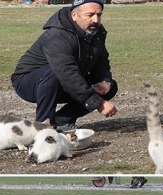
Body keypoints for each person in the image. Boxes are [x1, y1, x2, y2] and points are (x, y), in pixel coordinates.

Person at [11, 0, 118, 132]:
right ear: (74, 15)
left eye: (99, 15)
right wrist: (98, 103)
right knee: (53, 73)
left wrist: (104, 80)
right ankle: (43, 127)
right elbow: (66, 72)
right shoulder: (58, 35)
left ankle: (62, 120)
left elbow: (101, 61)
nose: (95, 20)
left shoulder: (97, 32)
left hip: (62, 79)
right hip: (29, 82)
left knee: (110, 86)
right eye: (90, 15)